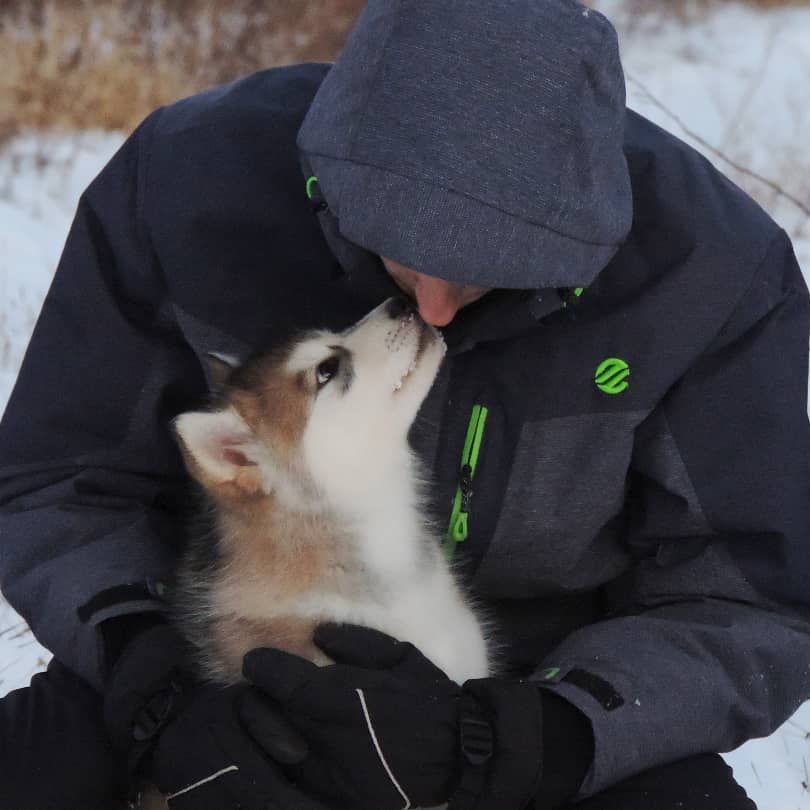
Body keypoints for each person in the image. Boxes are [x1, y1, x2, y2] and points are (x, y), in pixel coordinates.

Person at [1, 0, 809, 807]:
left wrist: (545, 735)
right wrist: (154, 676)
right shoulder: (187, 184)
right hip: (222, 655)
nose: (433, 311)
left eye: (486, 271)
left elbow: (749, 597)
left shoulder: (711, 275)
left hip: (547, 688)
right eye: (402, 253)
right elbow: (61, 481)